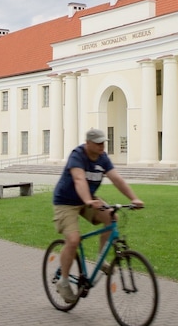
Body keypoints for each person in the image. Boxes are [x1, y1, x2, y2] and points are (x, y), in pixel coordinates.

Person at [51, 128, 144, 304]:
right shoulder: (77, 155)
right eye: (98, 143)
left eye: (104, 143)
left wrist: (134, 198)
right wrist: (88, 200)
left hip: (88, 200)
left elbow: (117, 179)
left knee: (111, 217)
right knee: (73, 240)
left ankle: (101, 258)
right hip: (66, 202)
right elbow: (79, 179)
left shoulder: (103, 158)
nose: (102, 146)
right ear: (88, 143)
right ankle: (63, 281)